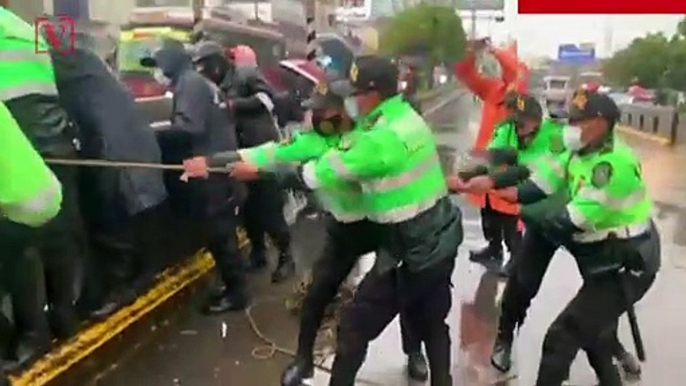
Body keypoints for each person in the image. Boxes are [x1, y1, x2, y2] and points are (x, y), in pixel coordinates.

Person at [183, 74, 430, 385]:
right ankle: (303, 361)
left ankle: (415, 351)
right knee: (316, 295)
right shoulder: (313, 140)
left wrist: (262, 173)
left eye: (327, 110)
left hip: (385, 226)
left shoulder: (375, 137)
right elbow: (269, 153)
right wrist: (210, 162)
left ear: (351, 107)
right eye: (316, 110)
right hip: (346, 229)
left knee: (407, 293)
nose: (319, 117)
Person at [454, 90, 657, 385]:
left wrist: (522, 207)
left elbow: (571, 221)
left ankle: (615, 351)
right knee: (538, 296)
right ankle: (507, 339)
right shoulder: (579, 149)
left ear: (599, 123)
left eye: (577, 121)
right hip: (587, 236)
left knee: (568, 335)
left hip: (618, 254)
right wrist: (491, 183)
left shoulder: (611, 167)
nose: (570, 127)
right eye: (570, 120)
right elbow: (540, 179)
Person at [302, 55, 462, 386]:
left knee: (355, 327)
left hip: (411, 249)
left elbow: (326, 170)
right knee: (432, 323)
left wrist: (295, 171)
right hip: (438, 238)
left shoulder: (380, 136)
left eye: (356, 93)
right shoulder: (405, 116)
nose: (351, 101)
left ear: (374, 94)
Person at [50, 26, 168, 319]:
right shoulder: (87, 64)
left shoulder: (64, 65)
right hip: (128, 146)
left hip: (113, 151)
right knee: (127, 220)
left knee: (110, 222)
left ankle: (120, 288)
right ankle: (136, 278)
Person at [0, 8, 86, 363]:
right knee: (58, 237)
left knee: (20, 248)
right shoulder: (23, 28)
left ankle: (33, 335)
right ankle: (63, 316)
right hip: (55, 143)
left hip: (20, 149)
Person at [140, 38, 247, 314]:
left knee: (220, 235)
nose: (157, 71)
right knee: (221, 233)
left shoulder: (190, 84)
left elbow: (190, 128)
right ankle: (234, 286)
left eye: (159, 64)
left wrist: (149, 133)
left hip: (209, 171)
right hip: (217, 167)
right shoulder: (199, 84)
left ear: (174, 62)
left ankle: (237, 294)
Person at [218, 44, 295, 282]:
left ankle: (286, 258)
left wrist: (234, 105)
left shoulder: (250, 77)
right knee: (249, 210)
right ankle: (258, 252)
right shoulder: (222, 83)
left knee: (270, 209)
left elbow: (265, 100)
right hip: (241, 150)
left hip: (261, 150)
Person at [0, 99, 63, 386]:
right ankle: (35, 333)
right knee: (20, 258)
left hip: (18, 198)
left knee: (16, 257)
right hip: (39, 189)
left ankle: (31, 336)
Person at [454, 38, 529, 268]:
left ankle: (516, 259)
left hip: (508, 163)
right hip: (487, 160)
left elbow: (515, 70)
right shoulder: (493, 90)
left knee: (509, 213)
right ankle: (493, 249)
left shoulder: (519, 93)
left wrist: (494, 50)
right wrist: (471, 52)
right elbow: (465, 74)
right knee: (488, 210)